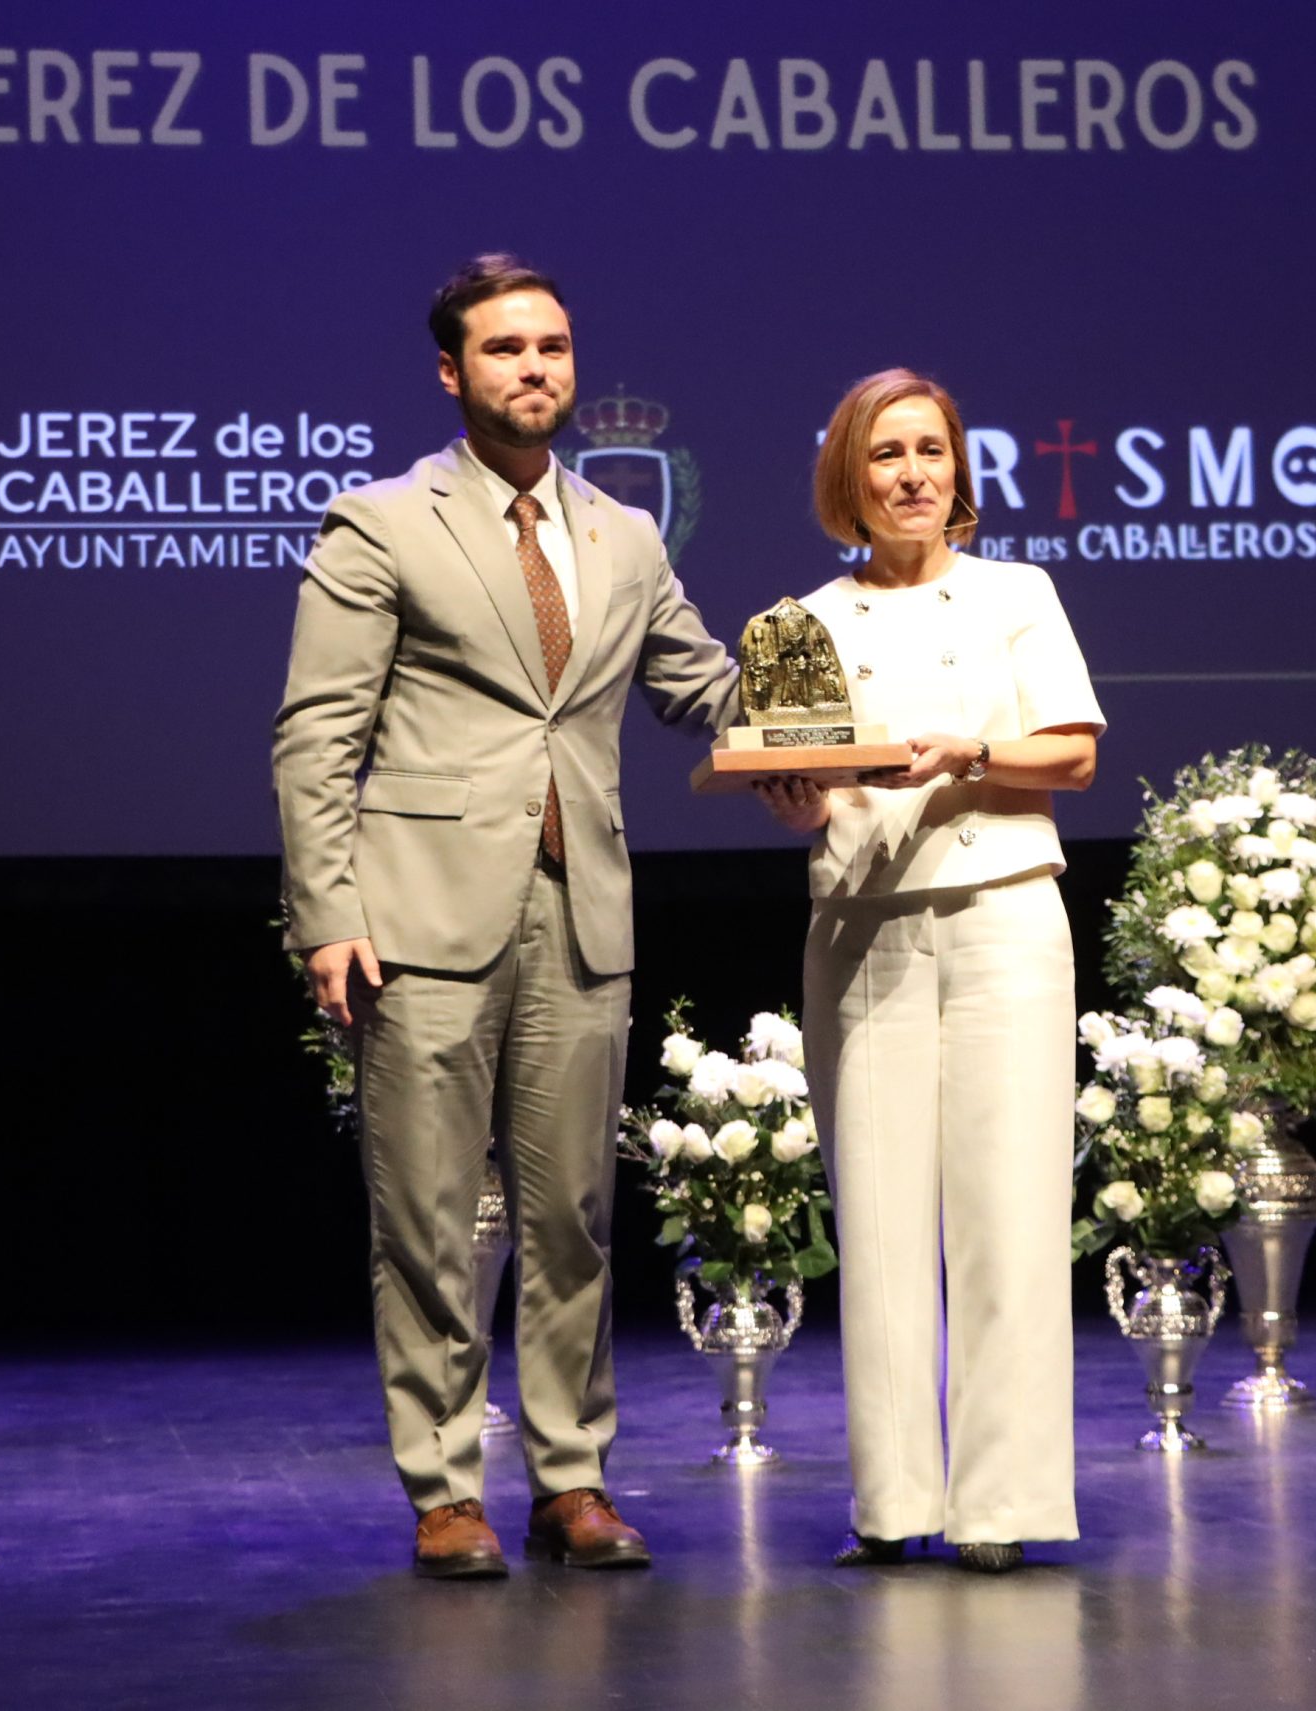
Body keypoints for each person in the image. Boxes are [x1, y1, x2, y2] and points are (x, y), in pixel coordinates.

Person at [274, 256, 740, 1579]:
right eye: (504, 349)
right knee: (426, 1217)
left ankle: (572, 1477)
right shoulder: (381, 522)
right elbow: (318, 734)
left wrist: (842, 689)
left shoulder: (624, 536)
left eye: (553, 346)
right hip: (420, 917)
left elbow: (702, 685)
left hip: (578, 908)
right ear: (452, 372)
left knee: (575, 1213)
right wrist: (327, 911)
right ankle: (443, 1488)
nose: (534, 368)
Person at [754, 370, 1102, 1573]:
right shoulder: (799, 624)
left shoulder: (1017, 592)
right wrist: (796, 795)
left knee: (1008, 1215)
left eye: (930, 452)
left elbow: (1072, 755)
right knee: (884, 1224)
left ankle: (1000, 1510)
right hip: (863, 929)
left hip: (1006, 917)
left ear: (959, 471)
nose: (910, 474)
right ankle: (891, 1506)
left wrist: (970, 752)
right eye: (885, 454)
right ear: (847, 477)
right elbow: (803, 791)